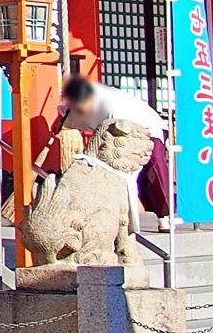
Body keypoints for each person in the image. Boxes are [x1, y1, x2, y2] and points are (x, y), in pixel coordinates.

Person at [59, 75, 172, 231]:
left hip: (147, 128)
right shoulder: (86, 108)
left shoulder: (106, 99)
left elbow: (114, 125)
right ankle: (120, 216)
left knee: (154, 170)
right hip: (118, 140)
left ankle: (164, 217)